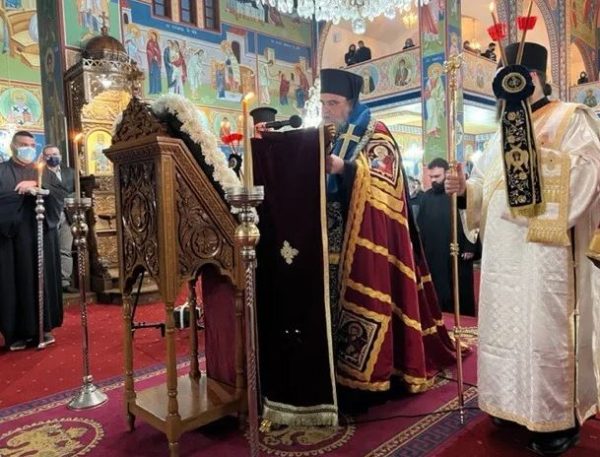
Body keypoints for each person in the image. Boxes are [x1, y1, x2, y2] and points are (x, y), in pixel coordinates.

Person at [445, 42, 600, 455]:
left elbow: (588, 176)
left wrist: (535, 176)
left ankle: (555, 418)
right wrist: (465, 191)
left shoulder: (570, 118)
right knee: (503, 331)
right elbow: (486, 185)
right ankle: (511, 403)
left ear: (532, 78)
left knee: (543, 332)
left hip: (543, 254)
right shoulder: (501, 132)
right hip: (501, 258)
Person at [321, 68, 455, 409]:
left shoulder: (375, 131)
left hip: (369, 238)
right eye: (323, 103)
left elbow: (384, 179)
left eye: (333, 103)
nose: (327, 110)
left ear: (350, 102)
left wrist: (343, 168)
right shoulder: (331, 134)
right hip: (332, 237)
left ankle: (380, 369)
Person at [0, 131, 68, 351]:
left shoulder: (42, 171)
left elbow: (58, 193)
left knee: (42, 278)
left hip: (41, 236)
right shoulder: (2, 171)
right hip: (12, 240)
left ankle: (43, 327)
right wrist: (20, 194)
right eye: (24, 144)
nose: (28, 148)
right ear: (13, 146)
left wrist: (37, 184)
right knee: (14, 282)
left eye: (31, 145)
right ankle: (15, 334)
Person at [416, 158, 478, 316]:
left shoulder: (457, 194)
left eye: (437, 176)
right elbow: (420, 225)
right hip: (433, 251)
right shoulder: (426, 197)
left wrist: (470, 246)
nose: (433, 180)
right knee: (436, 289)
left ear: (446, 174)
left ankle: (462, 317)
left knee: (458, 287)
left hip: (456, 251)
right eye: (431, 177)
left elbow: (470, 218)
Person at [42, 145, 77, 294]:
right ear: (44, 157)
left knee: (65, 249)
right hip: (48, 214)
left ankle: (64, 282)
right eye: (49, 155)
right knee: (48, 249)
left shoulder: (70, 172)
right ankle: (49, 282)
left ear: (61, 156)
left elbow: (76, 190)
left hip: (67, 215)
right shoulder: (39, 173)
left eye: (55, 154)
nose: (53, 157)